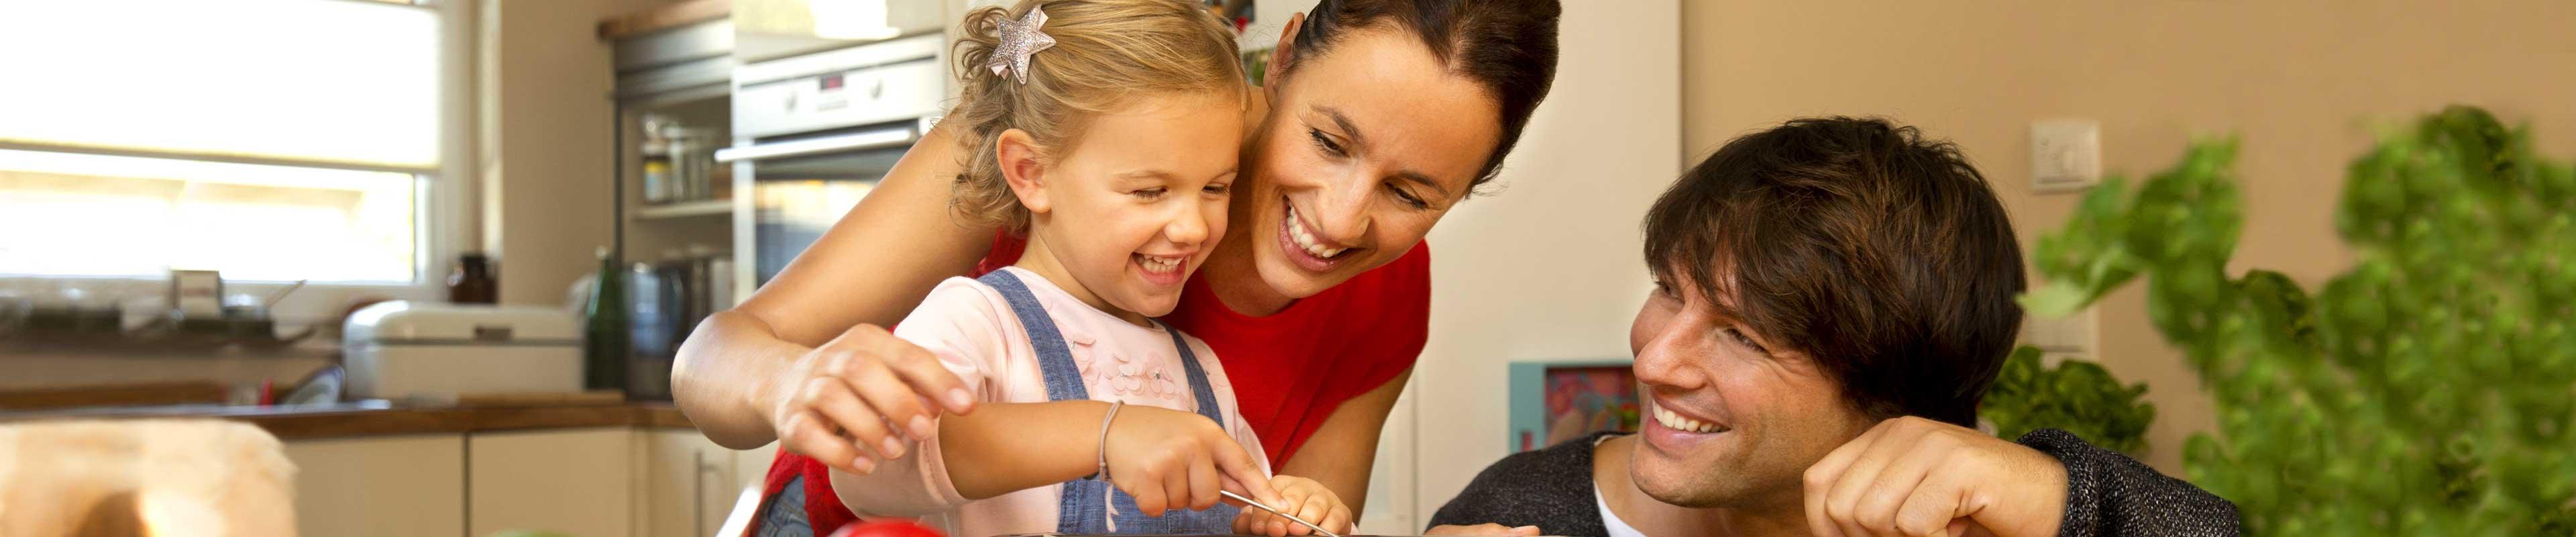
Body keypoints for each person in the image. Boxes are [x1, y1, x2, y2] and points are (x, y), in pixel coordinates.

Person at [668, 0, 1564, 535]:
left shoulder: (1389, 301)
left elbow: (1283, 519)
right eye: (1328, 140)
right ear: (1285, 56)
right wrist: (790, 378)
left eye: (1412, 192)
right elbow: (715, 362)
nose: (1338, 218)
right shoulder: (1076, 129)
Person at [1426, 117, 2239, 537]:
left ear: (1890, 400)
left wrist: (2060, 495)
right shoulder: (1522, 507)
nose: (1656, 357)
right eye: (1669, 290)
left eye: (1742, 335)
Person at [809, 1, 1336, 535]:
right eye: (1150, 190)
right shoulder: (978, 321)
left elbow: (1247, 505)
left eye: (1215, 188)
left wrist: (1288, 509)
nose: (1193, 228)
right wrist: (1104, 434)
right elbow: (870, 472)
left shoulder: (1199, 370)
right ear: (1031, 173)